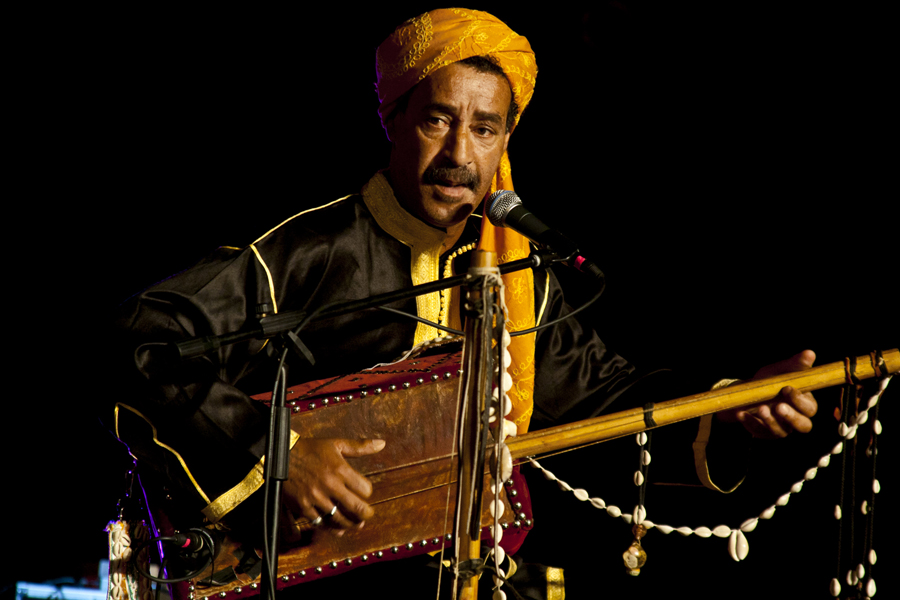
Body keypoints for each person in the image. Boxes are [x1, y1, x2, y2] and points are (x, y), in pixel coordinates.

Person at [106, 8, 818, 598]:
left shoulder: (517, 276)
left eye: (484, 128)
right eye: (437, 120)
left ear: (507, 139)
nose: (459, 154)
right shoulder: (309, 252)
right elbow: (142, 341)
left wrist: (726, 405)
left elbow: (611, 400)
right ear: (393, 118)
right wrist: (281, 456)